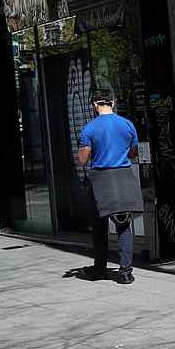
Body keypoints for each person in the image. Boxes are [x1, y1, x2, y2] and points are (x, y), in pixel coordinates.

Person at [76, 89, 142, 285]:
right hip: (124, 177)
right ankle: (125, 272)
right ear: (112, 102)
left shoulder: (89, 128)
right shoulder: (127, 125)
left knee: (99, 226)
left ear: (95, 104)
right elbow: (133, 152)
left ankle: (99, 269)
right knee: (124, 225)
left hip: (100, 180)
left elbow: (82, 159)